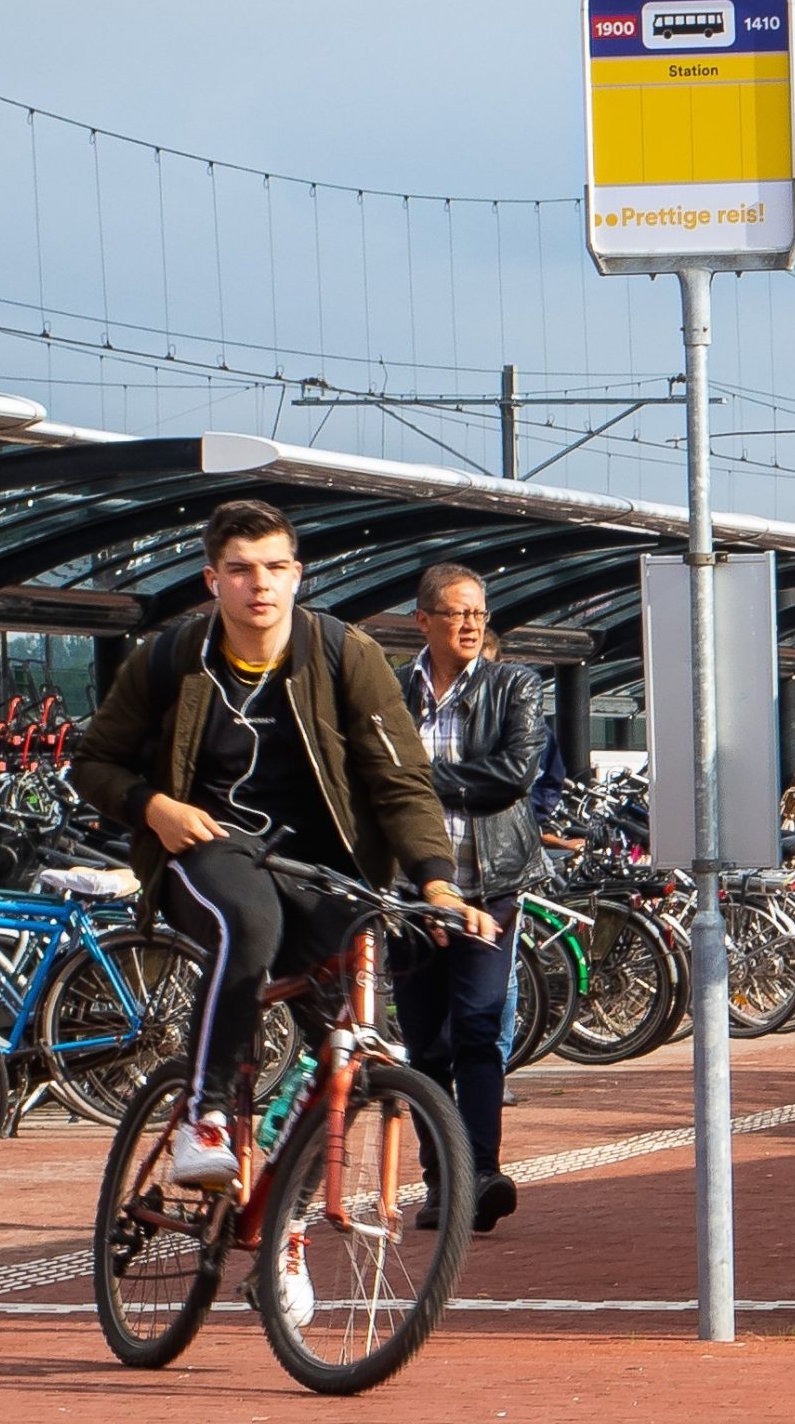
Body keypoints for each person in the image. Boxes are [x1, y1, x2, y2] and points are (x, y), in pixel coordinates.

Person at [70, 499, 494, 1191]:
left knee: (346, 1052)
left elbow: (402, 779)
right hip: (209, 850)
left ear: (297, 574)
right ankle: (202, 1114)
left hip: (323, 866)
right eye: (239, 570)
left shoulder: (342, 653)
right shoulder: (174, 658)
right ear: (213, 580)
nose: (257, 584)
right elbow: (93, 762)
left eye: (272, 567)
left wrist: (437, 880)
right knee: (249, 920)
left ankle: (284, 1224)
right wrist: (154, 807)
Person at [395, 563, 547, 1229]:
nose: (469, 624)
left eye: (478, 613)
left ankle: (481, 1172)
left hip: (491, 887)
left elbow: (513, 775)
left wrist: (415, 780)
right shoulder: (394, 691)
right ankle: (441, 1179)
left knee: (480, 1028)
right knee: (425, 1043)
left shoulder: (515, 684)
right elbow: (369, 778)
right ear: (423, 619)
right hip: (409, 895)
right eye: (455, 613)